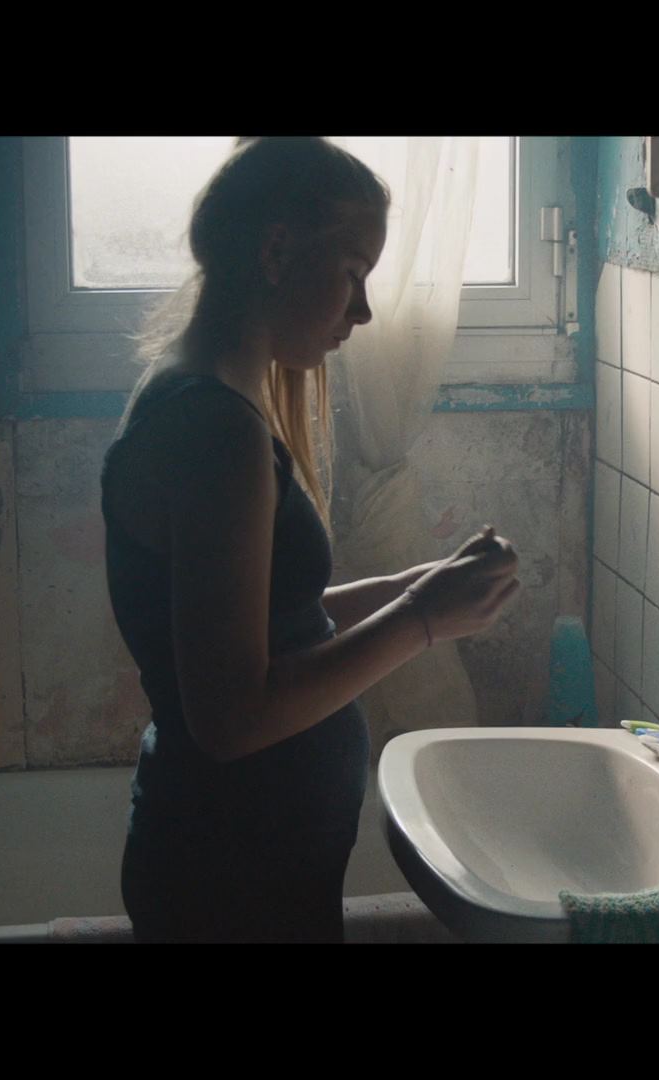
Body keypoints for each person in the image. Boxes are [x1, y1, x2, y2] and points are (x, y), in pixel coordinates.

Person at [102, 137, 520, 942]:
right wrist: (421, 620)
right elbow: (233, 717)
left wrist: (418, 587)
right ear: (275, 251)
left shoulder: (201, 396)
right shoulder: (215, 430)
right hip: (230, 874)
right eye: (354, 273)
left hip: (237, 858)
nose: (363, 312)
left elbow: (269, 619)